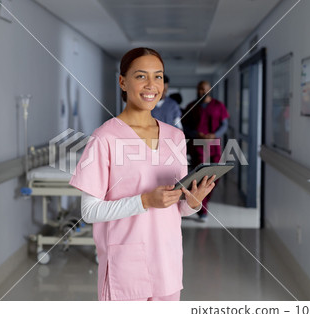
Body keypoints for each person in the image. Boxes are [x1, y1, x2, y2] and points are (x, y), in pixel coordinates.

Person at [69, 47, 216, 301]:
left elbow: (176, 206)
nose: (151, 85)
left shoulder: (175, 137)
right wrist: (145, 201)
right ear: (122, 82)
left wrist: (192, 203)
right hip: (124, 267)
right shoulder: (105, 137)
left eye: (158, 76)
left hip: (167, 264)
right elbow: (89, 211)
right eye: (141, 76)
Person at [181, 80, 229, 222]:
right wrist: (196, 133)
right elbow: (186, 126)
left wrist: (214, 135)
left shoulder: (218, 106)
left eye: (204, 89)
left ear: (209, 90)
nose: (201, 92)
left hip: (214, 145)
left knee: (215, 176)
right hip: (198, 146)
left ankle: (202, 200)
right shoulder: (191, 106)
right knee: (200, 178)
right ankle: (203, 209)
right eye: (199, 89)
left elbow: (224, 125)